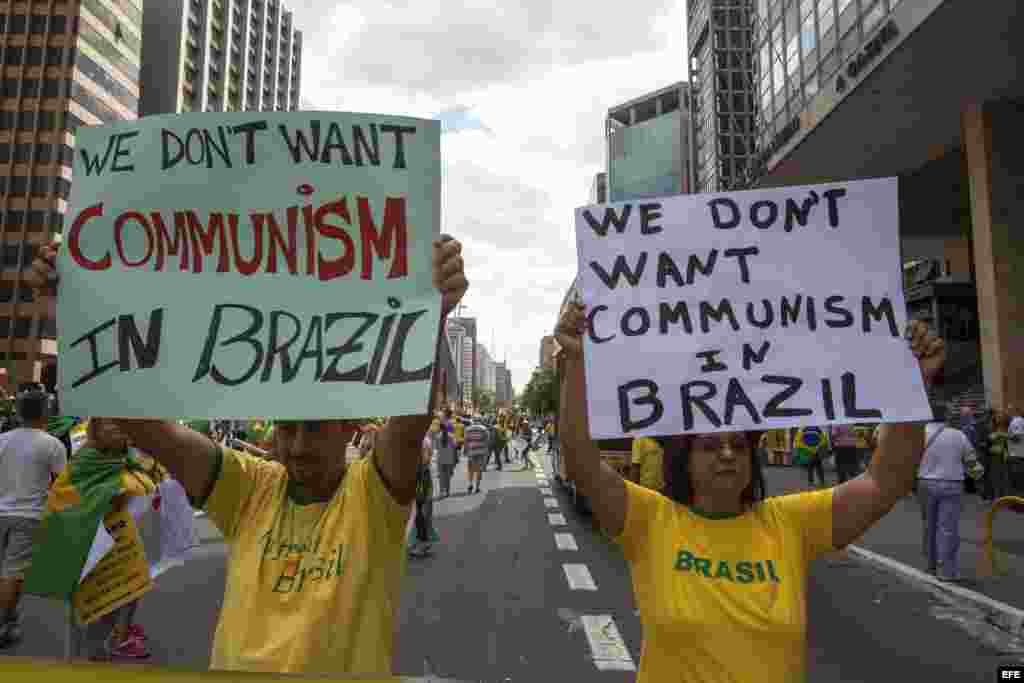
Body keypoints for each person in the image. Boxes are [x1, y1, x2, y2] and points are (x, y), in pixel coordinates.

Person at [25, 235, 468, 676]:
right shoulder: (250, 485)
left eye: (313, 430)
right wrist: (69, 310)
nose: (295, 446)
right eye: (287, 428)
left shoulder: (373, 494)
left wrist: (433, 313)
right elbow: (148, 428)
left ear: (350, 428)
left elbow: (409, 423)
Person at [555, 302, 945, 683]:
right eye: (710, 445)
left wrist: (915, 383)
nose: (727, 454)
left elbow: (884, 482)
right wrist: (576, 361)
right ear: (685, 460)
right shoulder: (651, 520)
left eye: (739, 445)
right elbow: (582, 462)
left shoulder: (791, 523)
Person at [0, 383, 66, 648]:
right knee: (12, 572)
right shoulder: (52, 445)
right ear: (44, 413)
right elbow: (64, 483)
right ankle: (4, 626)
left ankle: (8, 620)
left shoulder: (2, 440)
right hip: (28, 516)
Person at [917, 404, 982, 581]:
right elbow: (971, 462)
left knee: (929, 525)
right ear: (946, 416)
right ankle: (946, 571)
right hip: (952, 483)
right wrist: (979, 475)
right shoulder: (958, 435)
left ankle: (930, 566)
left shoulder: (919, 434)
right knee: (947, 529)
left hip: (925, 482)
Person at [409, 433, 435, 558]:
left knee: (420, 512)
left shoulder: (421, 441)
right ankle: (422, 542)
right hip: (423, 476)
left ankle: (423, 544)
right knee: (421, 512)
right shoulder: (426, 439)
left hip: (421, 478)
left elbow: (424, 460)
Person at [435, 410, 458, 498]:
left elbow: (437, 448)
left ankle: (441, 492)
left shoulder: (437, 437)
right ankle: (447, 492)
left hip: (440, 458)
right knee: (448, 476)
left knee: (441, 476)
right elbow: (455, 445)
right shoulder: (451, 436)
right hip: (449, 458)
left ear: (440, 428)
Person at [463, 419, 490, 494]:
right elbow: (487, 441)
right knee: (479, 469)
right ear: (480, 421)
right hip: (481, 452)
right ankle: (477, 487)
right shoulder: (484, 429)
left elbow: (466, 441)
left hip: (471, 451)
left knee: (471, 469)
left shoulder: (468, 429)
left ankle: (470, 484)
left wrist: (465, 450)